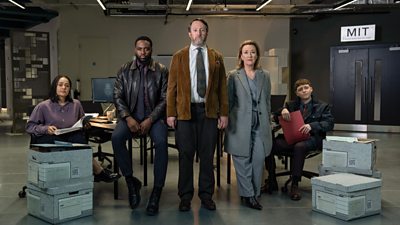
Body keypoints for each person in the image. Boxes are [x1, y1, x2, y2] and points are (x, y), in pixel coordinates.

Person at [166, 18, 228, 212]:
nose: (199, 33)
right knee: (185, 155)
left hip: (208, 113)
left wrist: (224, 113)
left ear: (206, 33)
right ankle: (185, 197)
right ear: (189, 33)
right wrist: (170, 113)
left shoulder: (216, 56)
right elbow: (171, 88)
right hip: (185, 113)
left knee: (207, 156)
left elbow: (222, 88)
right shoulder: (179, 56)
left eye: (202, 30)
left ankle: (206, 196)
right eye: (195, 30)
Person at [26, 74, 121, 183]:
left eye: (66, 86)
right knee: (64, 143)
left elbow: (81, 121)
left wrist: (85, 125)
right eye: (60, 85)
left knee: (81, 142)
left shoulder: (76, 104)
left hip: (71, 135)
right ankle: (98, 172)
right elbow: (30, 126)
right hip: (52, 137)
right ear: (55, 87)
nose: (63, 88)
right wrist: (46, 129)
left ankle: (97, 173)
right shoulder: (43, 106)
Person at [111, 36, 169, 215]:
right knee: (116, 138)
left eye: (146, 49)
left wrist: (150, 119)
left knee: (161, 143)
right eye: (139, 49)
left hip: (154, 118)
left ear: (151, 49)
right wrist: (127, 117)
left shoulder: (161, 70)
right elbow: (117, 96)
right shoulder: (124, 70)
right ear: (134, 49)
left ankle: (156, 192)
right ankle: (130, 181)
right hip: (131, 118)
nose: (143, 52)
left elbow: (165, 98)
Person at [263, 78, 334, 201]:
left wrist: (312, 126)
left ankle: (295, 184)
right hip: (293, 137)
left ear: (311, 89)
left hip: (311, 139)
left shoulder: (323, 106)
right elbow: (275, 116)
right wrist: (282, 110)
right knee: (269, 144)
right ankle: (272, 179)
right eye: (300, 89)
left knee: (299, 147)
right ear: (297, 93)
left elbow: (329, 124)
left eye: (306, 88)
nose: (304, 91)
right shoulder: (291, 105)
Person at [224, 40, 273, 210]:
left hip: (260, 123)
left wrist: (269, 121)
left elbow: (267, 100)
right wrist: (225, 120)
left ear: (257, 55)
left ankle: (253, 192)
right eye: (246, 52)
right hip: (239, 123)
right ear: (241, 56)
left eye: (253, 52)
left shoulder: (264, 75)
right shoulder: (233, 75)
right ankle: (249, 195)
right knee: (242, 159)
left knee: (259, 158)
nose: (250, 55)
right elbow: (228, 101)